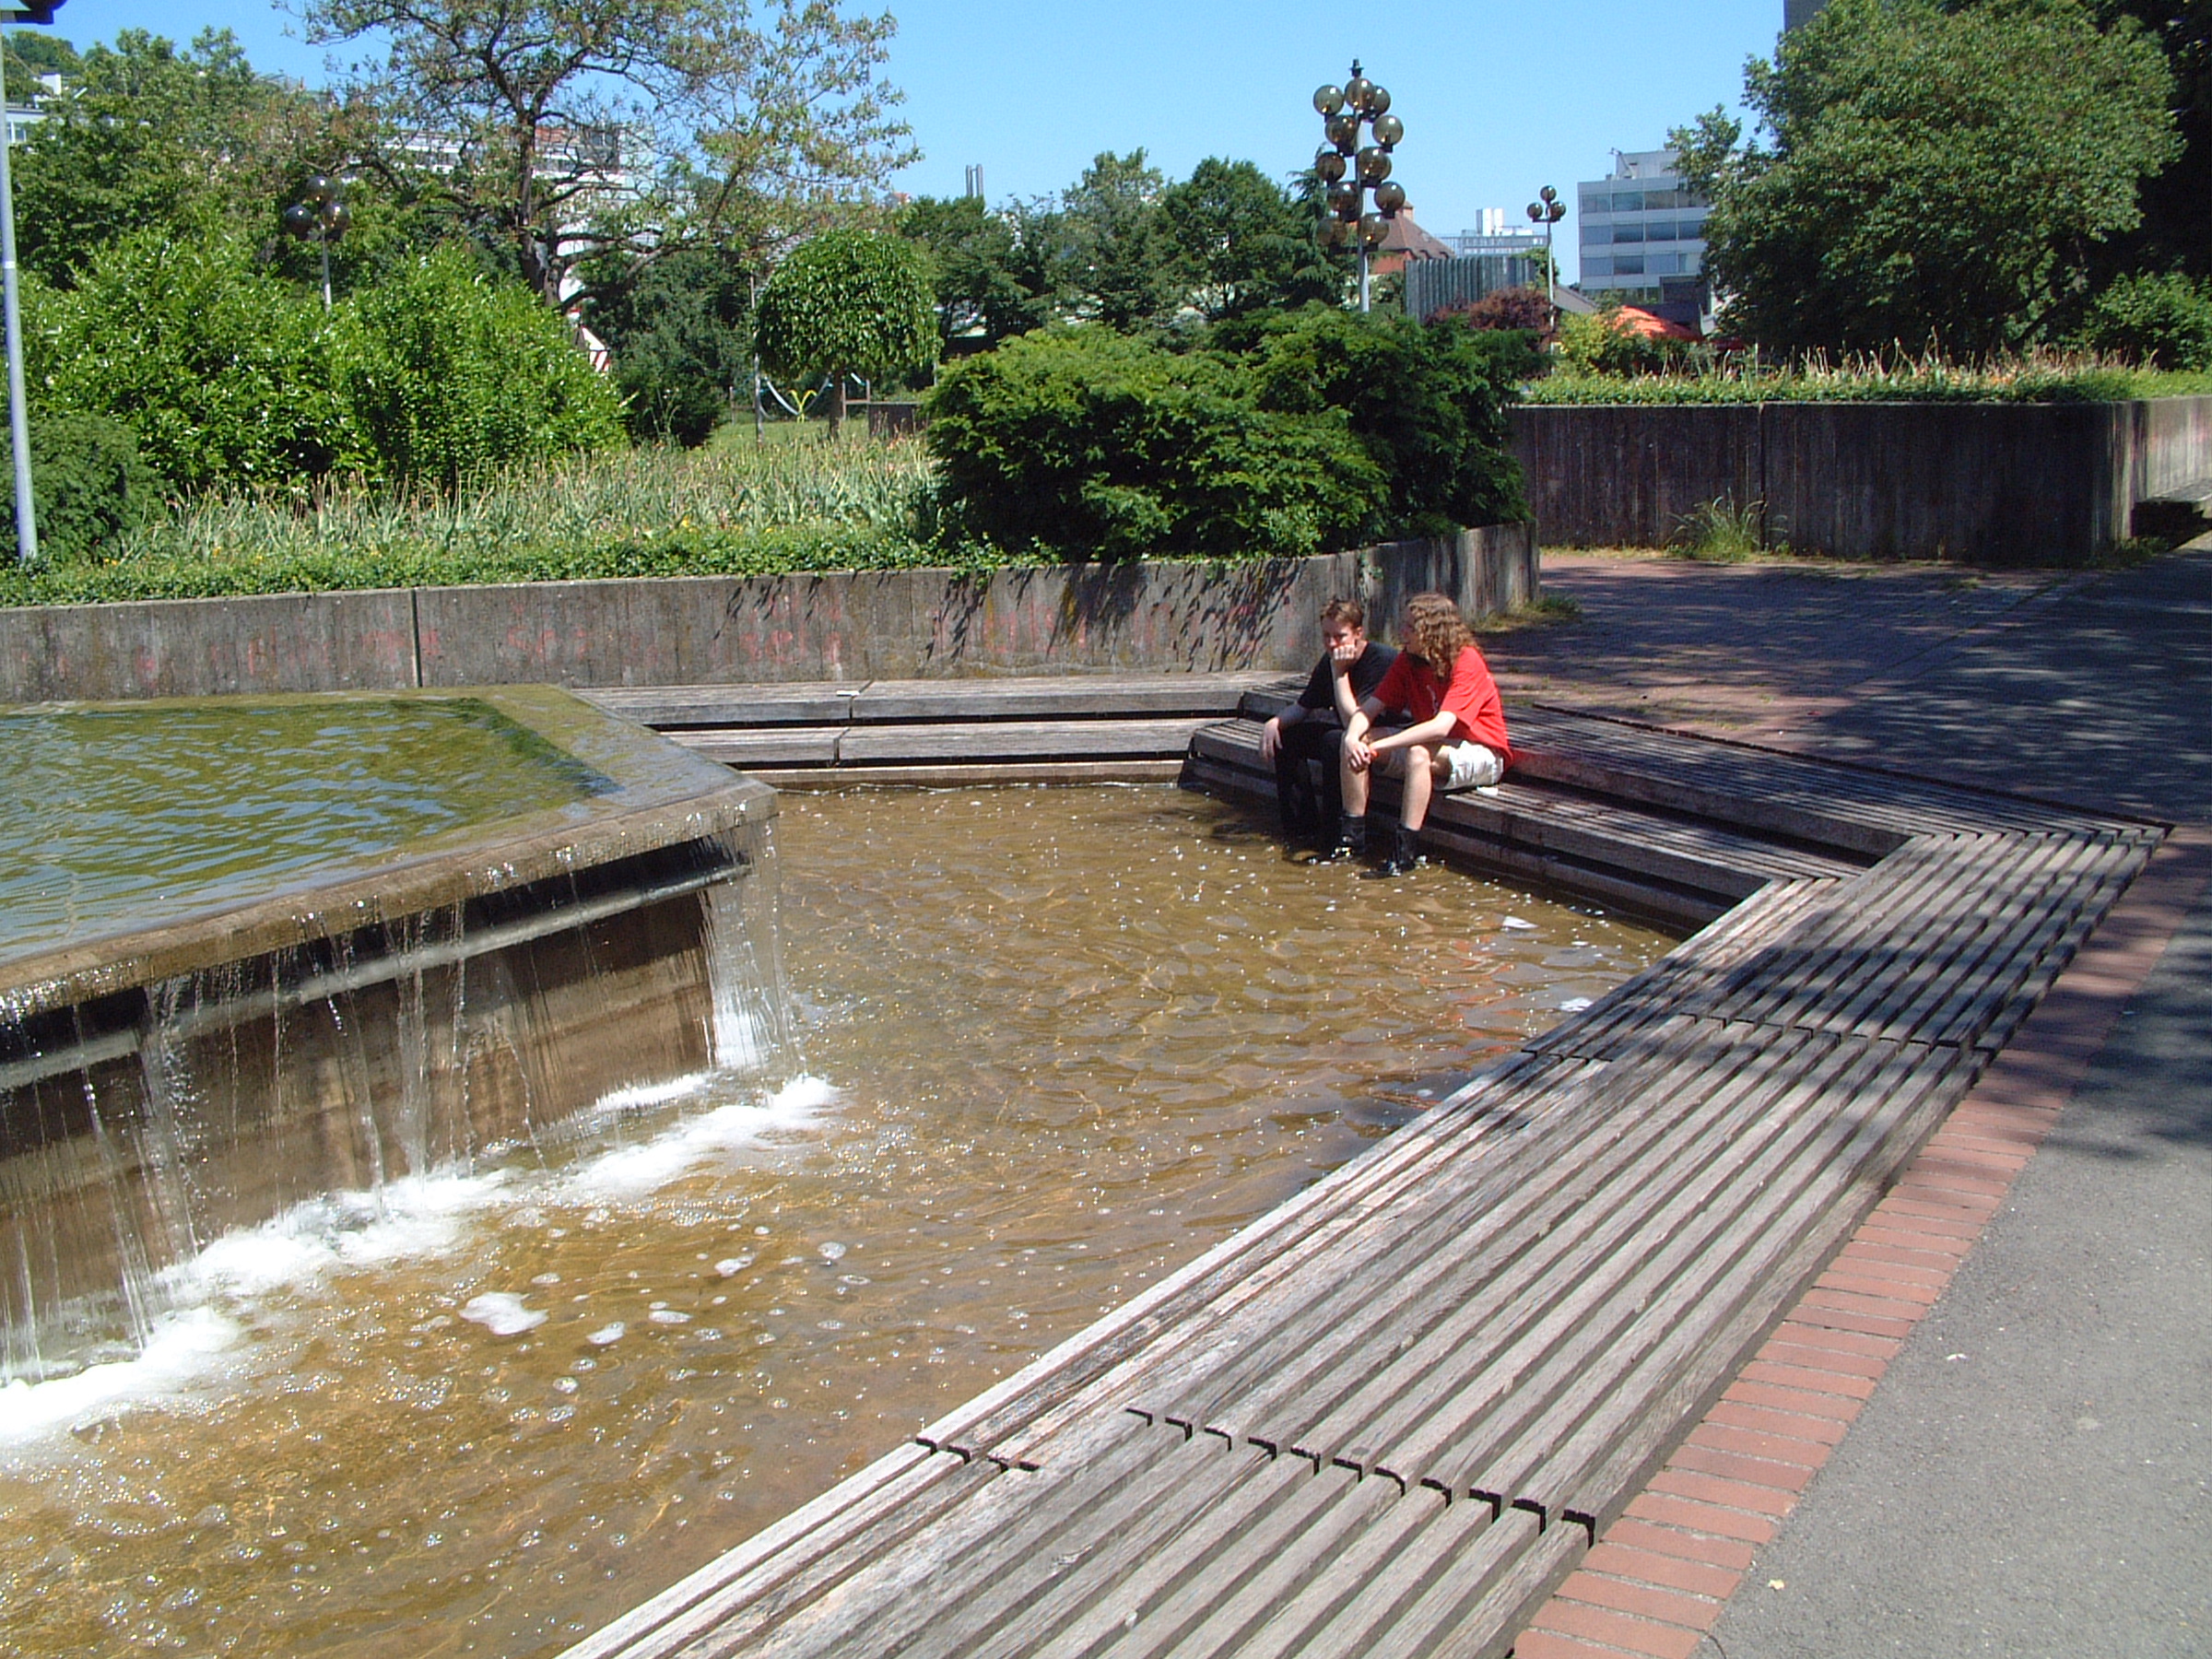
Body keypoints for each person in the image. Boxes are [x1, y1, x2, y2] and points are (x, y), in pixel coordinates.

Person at [1335, 591, 1513, 877]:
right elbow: (1368, 710)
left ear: (1431, 631)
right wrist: (1352, 738)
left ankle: (1403, 854)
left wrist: (1380, 746)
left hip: (1482, 750)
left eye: (1410, 626)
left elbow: (1441, 726)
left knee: (1418, 754)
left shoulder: (1466, 661)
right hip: (1436, 744)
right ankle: (1351, 841)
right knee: (1356, 742)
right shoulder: (1407, 660)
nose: (1401, 632)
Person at [1257, 597, 1398, 851]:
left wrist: (1340, 674)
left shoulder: (1381, 660)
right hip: (1352, 735)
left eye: (1340, 636)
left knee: (1335, 743)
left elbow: (1354, 721)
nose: (1332, 644)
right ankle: (1300, 828)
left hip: (1383, 736)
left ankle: (1335, 836)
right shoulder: (1330, 659)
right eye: (1326, 636)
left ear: (1358, 633)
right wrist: (1275, 722)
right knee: (1286, 737)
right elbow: (1303, 707)